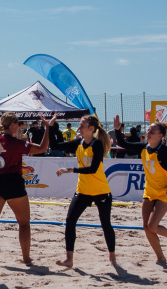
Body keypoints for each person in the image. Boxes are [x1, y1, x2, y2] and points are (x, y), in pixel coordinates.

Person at [0, 112, 52, 265]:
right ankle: (26, 258)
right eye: (18, 123)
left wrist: (22, 167)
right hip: (12, 182)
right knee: (24, 223)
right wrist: (48, 128)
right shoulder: (16, 142)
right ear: (12, 125)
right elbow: (43, 148)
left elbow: (3, 162)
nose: (20, 126)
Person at [49, 114, 117, 268]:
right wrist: (50, 126)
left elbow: (93, 169)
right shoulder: (78, 142)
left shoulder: (97, 144)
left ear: (91, 128)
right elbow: (54, 145)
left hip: (101, 190)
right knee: (70, 221)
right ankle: (69, 259)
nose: (79, 127)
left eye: (82, 125)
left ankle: (112, 258)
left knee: (105, 224)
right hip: (83, 190)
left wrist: (71, 169)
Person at [114, 116, 167, 263]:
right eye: (148, 130)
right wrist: (117, 130)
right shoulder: (144, 147)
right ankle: (161, 258)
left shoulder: (165, 151)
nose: (148, 132)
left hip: (164, 192)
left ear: (160, 135)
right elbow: (122, 143)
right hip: (149, 190)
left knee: (153, 226)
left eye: (152, 131)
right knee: (146, 227)